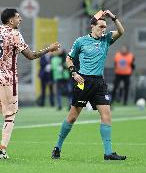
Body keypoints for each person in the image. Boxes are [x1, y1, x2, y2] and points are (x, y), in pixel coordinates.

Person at [0, 8, 60, 159]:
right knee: (9, 115)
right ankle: (2, 151)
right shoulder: (14, 34)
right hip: (8, 80)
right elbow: (31, 55)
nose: (20, 19)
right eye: (18, 17)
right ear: (11, 21)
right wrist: (48, 49)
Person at [51, 10, 126, 161]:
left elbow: (121, 31)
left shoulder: (106, 39)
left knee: (106, 116)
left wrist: (113, 17)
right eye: (100, 26)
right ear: (92, 26)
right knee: (72, 117)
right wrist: (74, 73)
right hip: (83, 82)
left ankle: (108, 152)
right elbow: (69, 58)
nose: (103, 29)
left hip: (99, 82)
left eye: (105, 27)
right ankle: (57, 147)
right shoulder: (81, 41)